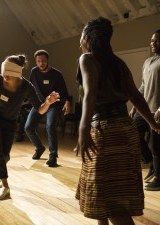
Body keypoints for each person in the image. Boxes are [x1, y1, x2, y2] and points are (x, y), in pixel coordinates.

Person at [75, 17, 160, 225]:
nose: (79, 42)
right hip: (125, 128)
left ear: (88, 37)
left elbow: (90, 94)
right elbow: (135, 96)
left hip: (104, 132)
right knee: (113, 193)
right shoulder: (118, 63)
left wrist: (83, 129)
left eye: (81, 36)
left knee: (108, 197)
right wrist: (152, 123)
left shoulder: (87, 59)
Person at [0, 54, 59, 200]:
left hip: (10, 120)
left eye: (8, 74)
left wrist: (47, 102)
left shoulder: (27, 87)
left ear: (17, 73)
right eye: (3, 73)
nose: (4, 77)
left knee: (5, 155)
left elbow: (40, 109)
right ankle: (5, 187)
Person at [25, 49, 71, 167]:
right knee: (28, 127)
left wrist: (67, 102)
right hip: (39, 104)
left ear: (47, 60)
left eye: (43, 61)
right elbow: (30, 88)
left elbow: (64, 91)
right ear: (36, 62)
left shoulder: (57, 74)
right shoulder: (34, 72)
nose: (41, 63)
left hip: (53, 105)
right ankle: (39, 148)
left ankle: (53, 156)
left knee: (50, 126)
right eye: (39, 61)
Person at [130, 29, 160, 191]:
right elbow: (142, 87)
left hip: (158, 112)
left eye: (157, 41)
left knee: (156, 145)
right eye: (151, 41)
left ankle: (159, 178)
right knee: (133, 133)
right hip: (145, 110)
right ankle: (152, 164)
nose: (153, 43)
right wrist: (134, 107)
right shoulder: (148, 62)